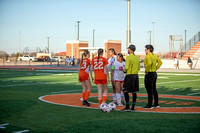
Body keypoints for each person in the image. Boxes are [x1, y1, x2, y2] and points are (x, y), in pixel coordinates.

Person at [122, 44, 140, 112]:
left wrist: (124, 71)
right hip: (136, 75)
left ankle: (127, 106)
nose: (128, 50)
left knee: (125, 90)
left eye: (128, 49)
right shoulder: (137, 57)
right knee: (134, 91)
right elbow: (138, 68)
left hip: (129, 75)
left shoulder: (129, 57)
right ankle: (133, 107)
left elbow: (126, 67)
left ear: (130, 50)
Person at [144, 45, 162, 109]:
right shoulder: (154, 56)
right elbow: (160, 62)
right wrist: (155, 69)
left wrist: (147, 70)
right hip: (154, 73)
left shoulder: (148, 56)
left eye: (145, 49)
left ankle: (150, 104)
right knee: (154, 89)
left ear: (148, 50)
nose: (145, 51)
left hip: (149, 74)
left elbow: (149, 63)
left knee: (149, 90)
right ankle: (156, 103)